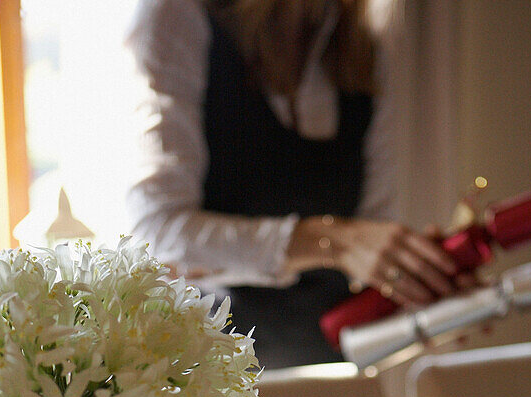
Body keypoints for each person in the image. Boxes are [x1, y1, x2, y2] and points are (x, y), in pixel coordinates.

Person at [127, 0, 459, 369]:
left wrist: (426, 292)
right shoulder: (181, 16)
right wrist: (337, 241)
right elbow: (159, 233)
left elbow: (371, 252)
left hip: (331, 377)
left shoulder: (369, 45)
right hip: (207, 379)